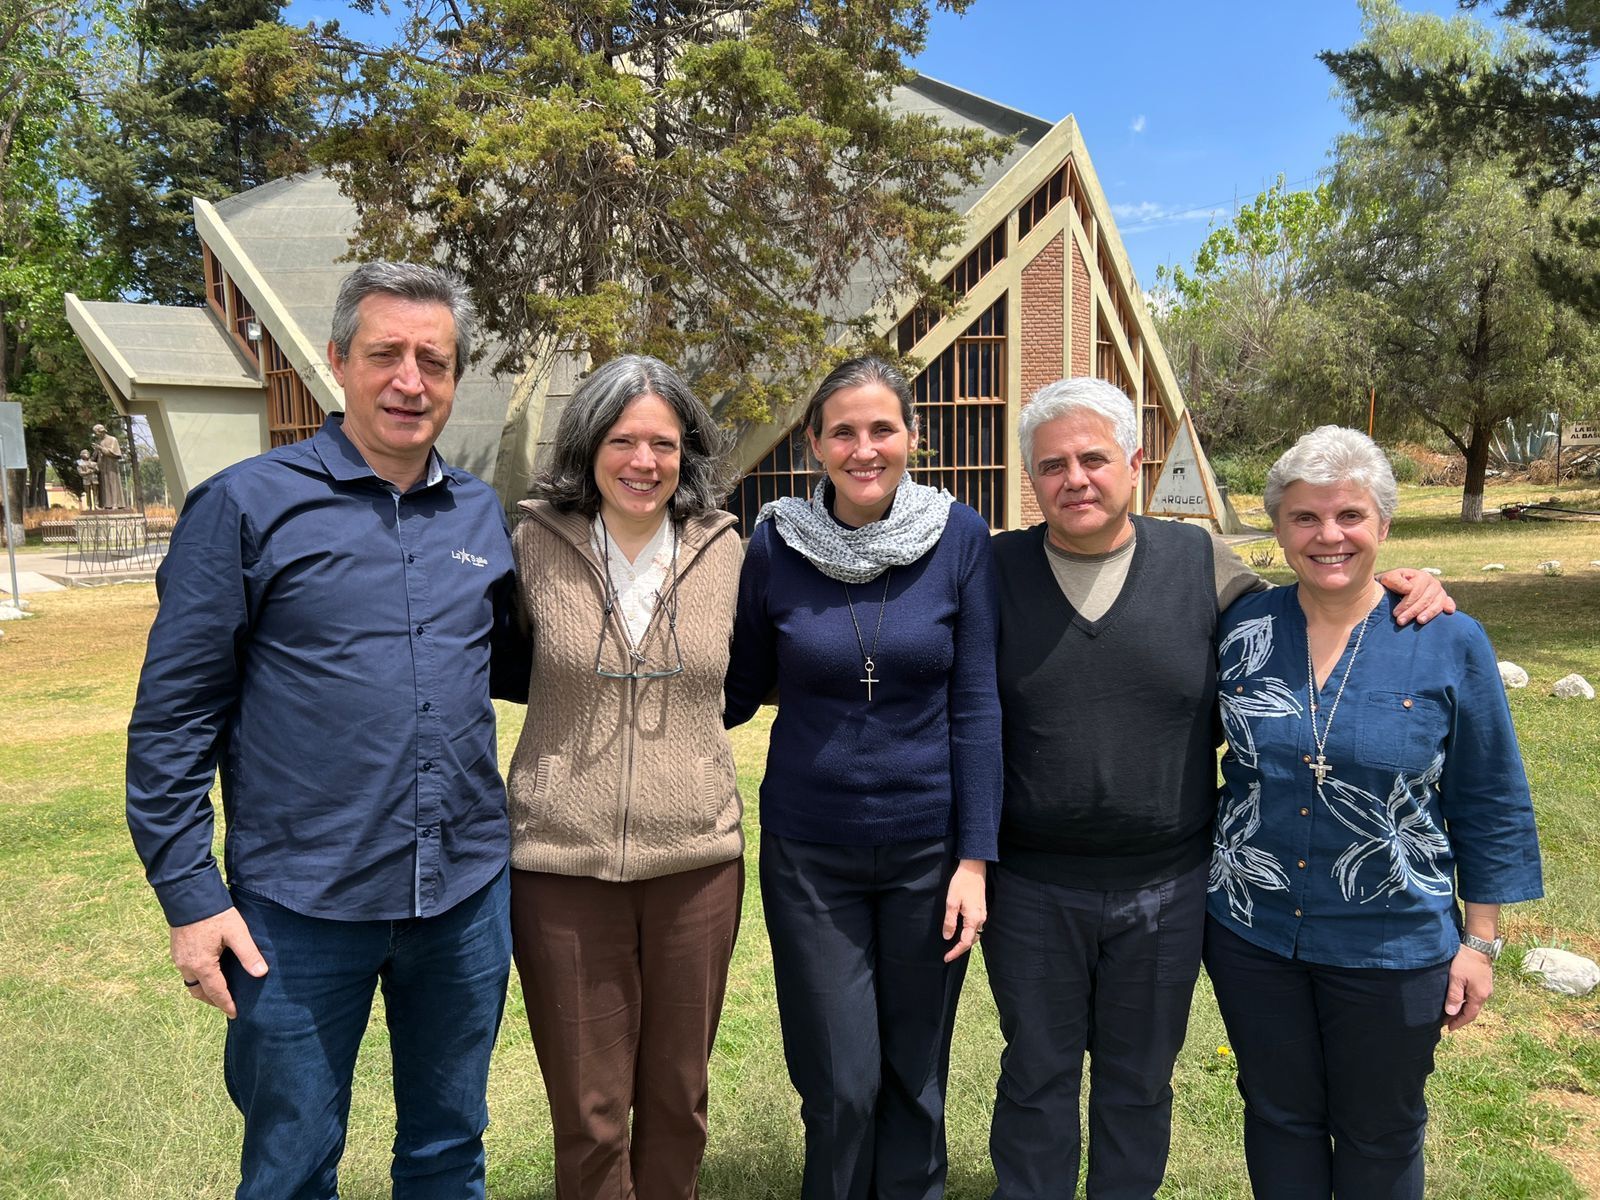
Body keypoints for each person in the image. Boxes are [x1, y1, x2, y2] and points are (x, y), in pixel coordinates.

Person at [985, 378, 1454, 1200]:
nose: (1075, 479)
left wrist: (1399, 584)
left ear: (1133, 462)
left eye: (1094, 458)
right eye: (1052, 464)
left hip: (1167, 886)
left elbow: (1312, 600)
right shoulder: (990, 571)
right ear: (1032, 478)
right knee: (1035, 1076)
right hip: (1030, 886)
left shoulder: (1199, 563)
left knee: (1138, 1083)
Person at [126, 261, 527, 1199]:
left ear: (456, 377)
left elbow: (513, 666)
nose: (410, 380)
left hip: (462, 899)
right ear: (339, 362)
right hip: (298, 910)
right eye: (386, 354)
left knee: (448, 1148)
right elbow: (174, 719)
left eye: (434, 360)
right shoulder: (243, 506)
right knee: (293, 1164)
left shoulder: (478, 512)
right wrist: (190, 899)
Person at [1203, 426, 1542, 1199]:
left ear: (1384, 526)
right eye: (1305, 518)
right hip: (1251, 931)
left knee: (1381, 1131)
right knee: (1278, 1115)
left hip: (1392, 942)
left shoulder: (1447, 639)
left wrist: (1480, 943)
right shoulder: (1242, 631)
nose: (1329, 535)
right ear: (1279, 528)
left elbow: (1489, 797)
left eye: (1351, 516)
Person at [724, 354, 1001, 1200]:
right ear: (814, 445)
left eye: (882, 428)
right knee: (840, 1083)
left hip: (929, 852)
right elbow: (733, 686)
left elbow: (978, 703)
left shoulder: (959, 536)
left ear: (911, 438)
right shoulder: (775, 542)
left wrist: (974, 860)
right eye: (842, 430)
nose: (864, 447)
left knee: (916, 1078)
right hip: (812, 856)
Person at [507, 354, 744, 1198]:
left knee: (678, 1098)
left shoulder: (725, 550)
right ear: (588, 445)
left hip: (696, 864)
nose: (644, 461)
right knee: (589, 1106)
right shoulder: (531, 541)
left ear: (688, 453)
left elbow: (745, 680)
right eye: (622, 440)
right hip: (560, 865)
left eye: (664, 443)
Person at [94, 422, 127, 509]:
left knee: (113, 483)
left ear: (101, 431)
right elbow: (95, 456)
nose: (96, 435)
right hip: (103, 466)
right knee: (105, 485)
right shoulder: (100, 442)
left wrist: (101, 449)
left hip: (111, 465)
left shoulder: (112, 440)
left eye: (96, 432)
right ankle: (107, 504)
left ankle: (115, 504)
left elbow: (114, 453)